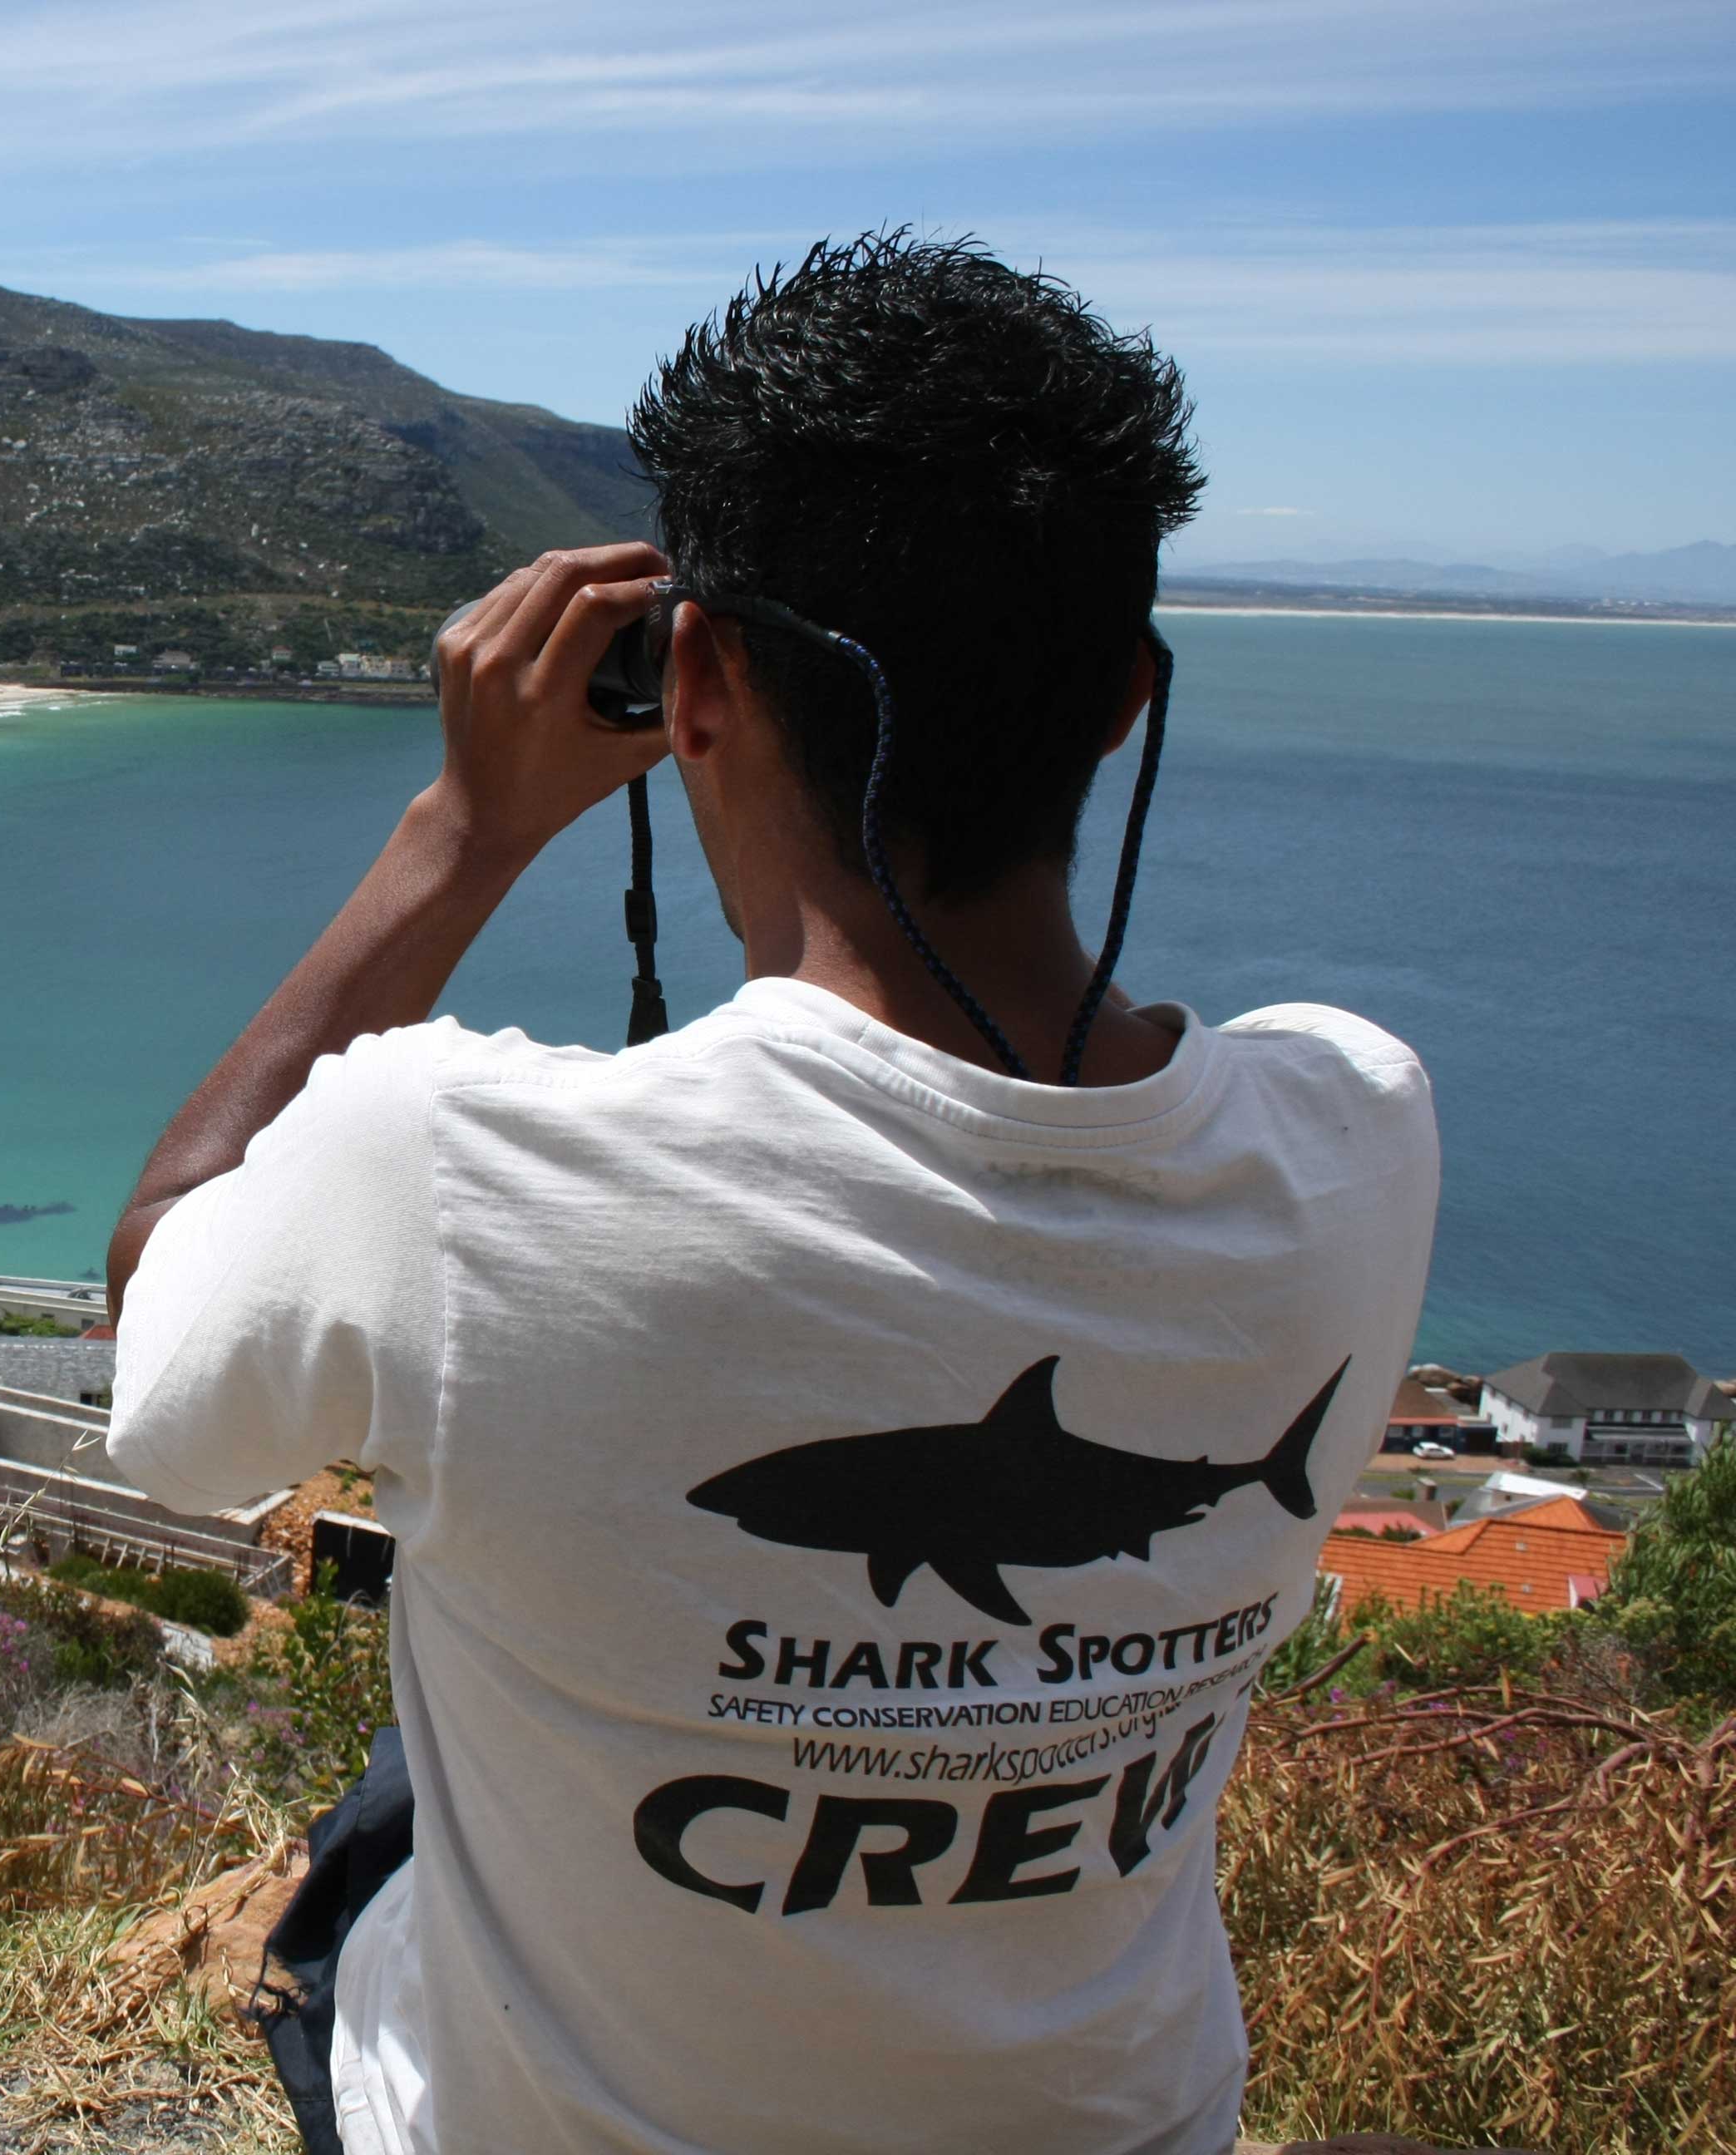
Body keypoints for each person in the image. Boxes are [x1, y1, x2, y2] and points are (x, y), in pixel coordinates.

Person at [100, 233, 1441, 2155]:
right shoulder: (1359, 1127)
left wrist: (455, 837)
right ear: (1129, 701)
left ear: (697, 676)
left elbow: (160, 1360)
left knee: (391, 1816)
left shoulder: (455, 1165)